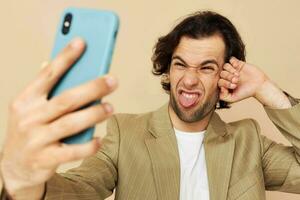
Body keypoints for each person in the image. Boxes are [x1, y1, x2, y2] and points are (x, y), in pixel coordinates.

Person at [1, 10, 300, 200]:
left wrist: (266, 90)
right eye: (181, 64)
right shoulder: (125, 132)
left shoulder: (248, 140)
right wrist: (23, 183)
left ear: (226, 76)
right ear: (168, 70)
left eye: (207, 68)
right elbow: (79, 189)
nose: (190, 79)